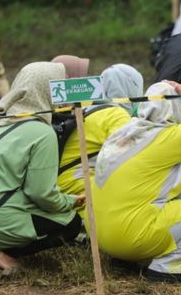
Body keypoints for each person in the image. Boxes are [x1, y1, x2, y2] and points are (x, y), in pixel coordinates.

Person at [92, 81, 181, 283]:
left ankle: (133, 257)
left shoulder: (124, 131)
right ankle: (168, 267)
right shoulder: (172, 135)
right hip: (132, 238)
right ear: (175, 105)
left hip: (103, 239)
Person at [0, 62, 83, 274]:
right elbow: (40, 193)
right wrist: (69, 202)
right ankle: (4, 255)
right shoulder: (42, 133)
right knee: (71, 223)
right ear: (46, 89)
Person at [56, 63, 144, 202]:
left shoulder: (83, 106)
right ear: (133, 88)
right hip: (82, 190)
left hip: (60, 185)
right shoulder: (117, 115)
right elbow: (129, 159)